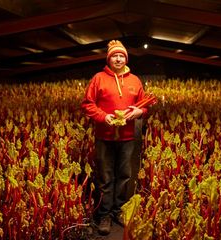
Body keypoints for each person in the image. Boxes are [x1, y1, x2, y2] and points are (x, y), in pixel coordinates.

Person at [81, 40, 148, 235]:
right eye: (114, 56)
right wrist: (104, 116)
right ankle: (105, 214)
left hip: (127, 137)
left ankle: (119, 210)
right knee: (105, 176)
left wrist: (140, 112)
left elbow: (144, 106)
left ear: (125, 58)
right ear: (109, 58)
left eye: (121, 56)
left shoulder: (135, 80)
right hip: (105, 136)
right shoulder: (98, 79)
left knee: (125, 176)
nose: (118, 59)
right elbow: (87, 104)